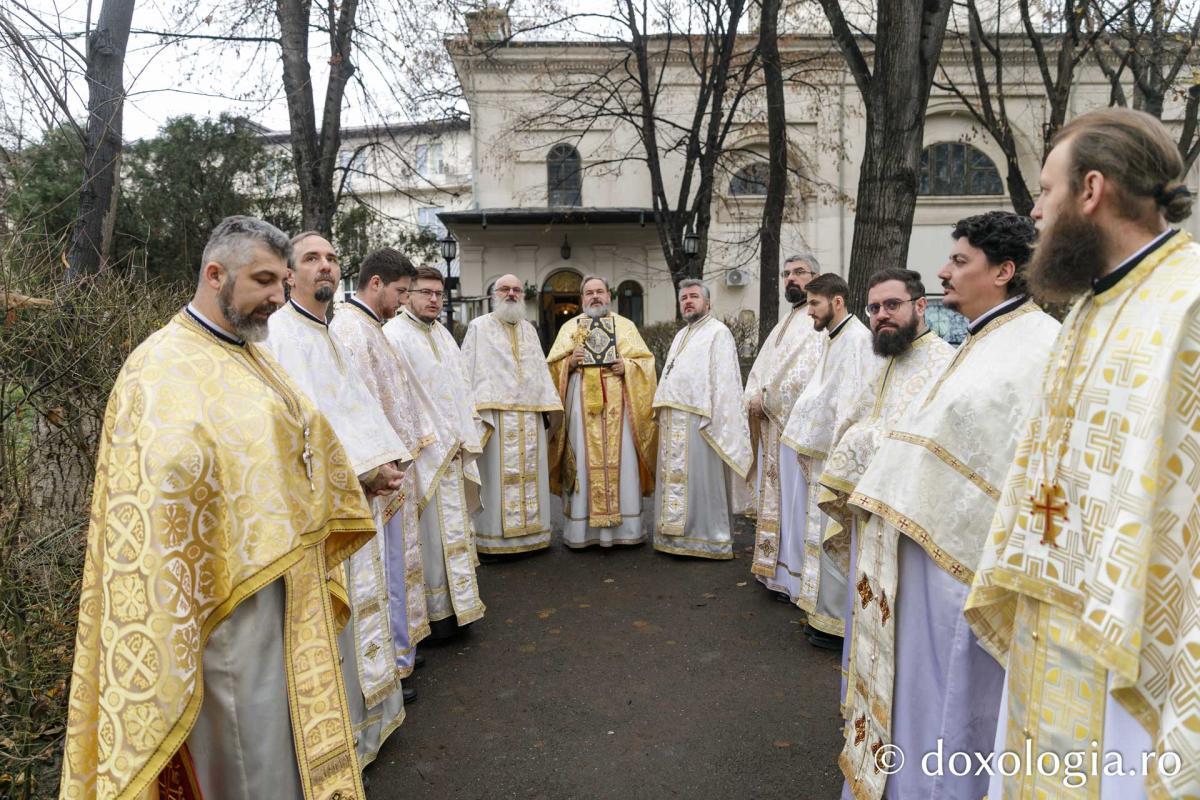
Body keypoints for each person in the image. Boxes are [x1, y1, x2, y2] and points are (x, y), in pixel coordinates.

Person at [60, 216, 374, 799]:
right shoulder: (159, 367)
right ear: (214, 274)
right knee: (247, 749)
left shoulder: (252, 355)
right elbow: (158, 495)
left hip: (284, 585)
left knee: (281, 744)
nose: (278, 298)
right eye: (263, 281)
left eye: (282, 283)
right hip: (222, 601)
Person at [965, 109, 1200, 798]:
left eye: (1046, 190)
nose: (1035, 212)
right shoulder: (1091, 308)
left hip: (1139, 645)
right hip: (1054, 617)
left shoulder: (1186, 306)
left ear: (1091, 190)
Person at [835, 214, 1059, 800]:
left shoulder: (1035, 345)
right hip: (926, 558)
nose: (942, 271)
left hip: (961, 567)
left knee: (950, 699)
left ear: (1003, 271)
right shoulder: (985, 338)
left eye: (959, 261)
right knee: (921, 695)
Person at [263, 231, 410, 766]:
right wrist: (362, 472)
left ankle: (369, 723)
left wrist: (385, 459)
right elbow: (293, 431)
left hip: (357, 498)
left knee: (364, 615)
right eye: (311, 258)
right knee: (332, 627)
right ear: (289, 274)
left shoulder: (328, 333)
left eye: (331, 258)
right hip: (323, 511)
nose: (324, 266)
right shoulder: (278, 335)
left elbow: (354, 411)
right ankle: (339, 742)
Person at [330, 247, 437, 680]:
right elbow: (357, 410)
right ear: (376, 283)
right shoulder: (351, 331)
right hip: (378, 477)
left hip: (393, 473)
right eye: (401, 292)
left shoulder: (371, 327)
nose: (403, 301)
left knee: (396, 566)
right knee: (381, 570)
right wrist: (378, 465)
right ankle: (386, 664)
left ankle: (400, 646)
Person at [384, 267, 486, 634]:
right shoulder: (394, 335)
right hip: (423, 456)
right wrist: (436, 441)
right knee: (427, 538)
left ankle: (459, 609)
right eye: (425, 292)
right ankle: (433, 616)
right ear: (407, 295)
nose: (433, 300)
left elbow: (460, 389)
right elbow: (399, 399)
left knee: (454, 533)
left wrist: (465, 436)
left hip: (453, 451)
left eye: (439, 294)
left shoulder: (442, 334)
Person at [781, 273, 880, 648]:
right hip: (822, 453)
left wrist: (838, 455)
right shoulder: (834, 337)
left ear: (837, 302)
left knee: (833, 535)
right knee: (818, 534)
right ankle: (821, 611)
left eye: (814, 304)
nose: (809, 312)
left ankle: (837, 621)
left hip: (837, 458)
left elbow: (853, 403)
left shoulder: (856, 340)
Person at [546, 276, 658, 549]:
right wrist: (569, 363)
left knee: (623, 460)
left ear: (609, 295)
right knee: (582, 459)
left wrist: (627, 366)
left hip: (620, 407)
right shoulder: (569, 328)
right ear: (582, 298)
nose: (595, 296)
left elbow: (646, 364)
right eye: (589, 292)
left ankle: (626, 529)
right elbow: (550, 367)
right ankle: (582, 532)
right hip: (580, 408)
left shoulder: (626, 326)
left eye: (599, 291)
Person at [461, 274, 563, 555]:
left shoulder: (529, 329)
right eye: (505, 289)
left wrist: (549, 408)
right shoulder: (479, 327)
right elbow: (466, 370)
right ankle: (494, 540)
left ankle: (533, 537)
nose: (511, 293)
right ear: (494, 294)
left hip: (530, 417)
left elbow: (539, 372)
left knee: (530, 477)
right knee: (496, 479)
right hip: (496, 418)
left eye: (517, 289)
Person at [651, 279, 752, 559]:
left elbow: (725, 380)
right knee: (676, 481)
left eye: (694, 296)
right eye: (684, 298)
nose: (688, 301)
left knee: (701, 481)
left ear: (707, 303)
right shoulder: (681, 335)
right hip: (674, 419)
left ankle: (708, 539)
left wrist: (718, 417)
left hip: (700, 421)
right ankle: (672, 538)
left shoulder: (718, 332)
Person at [746, 254, 825, 598]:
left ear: (816, 276)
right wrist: (752, 396)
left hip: (796, 429)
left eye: (799, 272)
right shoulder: (785, 322)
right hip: (773, 427)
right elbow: (761, 371)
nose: (791, 278)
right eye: (787, 273)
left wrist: (767, 400)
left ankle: (795, 577)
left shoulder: (817, 320)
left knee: (795, 504)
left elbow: (808, 374)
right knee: (779, 503)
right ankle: (774, 571)